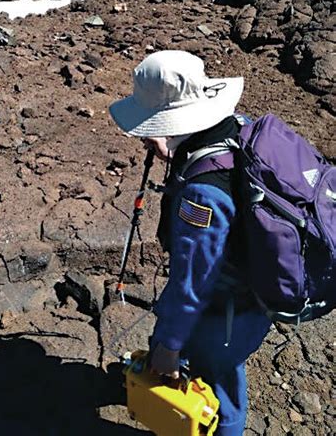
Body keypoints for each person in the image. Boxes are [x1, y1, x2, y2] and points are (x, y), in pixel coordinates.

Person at [109, 50, 271, 436]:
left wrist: (168, 347)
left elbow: (193, 283)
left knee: (215, 383)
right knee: (226, 373)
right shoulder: (240, 128)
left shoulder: (203, 195)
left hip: (226, 311)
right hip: (253, 299)